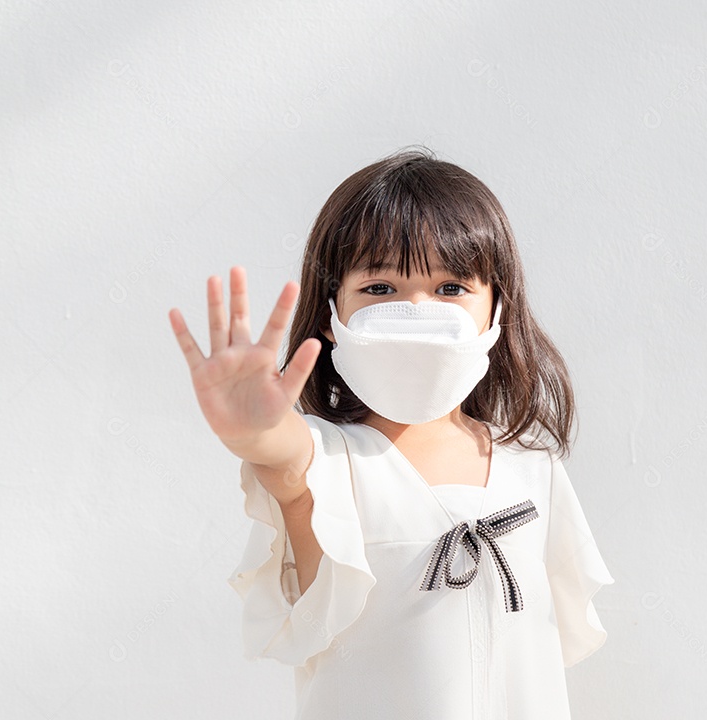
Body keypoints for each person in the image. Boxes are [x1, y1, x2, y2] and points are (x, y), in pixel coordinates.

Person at [168, 147, 615, 719]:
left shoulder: (533, 469)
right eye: (380, 289)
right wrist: (257, 430)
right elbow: (284, 462)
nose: (416, 310)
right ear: (332, 314)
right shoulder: (330, 464)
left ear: (498, 309)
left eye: (451, 288)